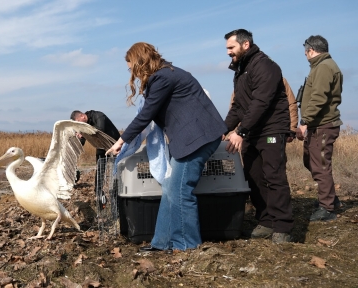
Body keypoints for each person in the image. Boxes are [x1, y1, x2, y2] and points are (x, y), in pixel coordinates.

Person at [106, 42, 226, 252]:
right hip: (194, 138)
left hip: (197, 139)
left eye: (130, 66)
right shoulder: (167, 74)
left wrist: (121, 140)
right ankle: (162, 242)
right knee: (172, 188)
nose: (131, 72)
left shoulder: (162, 77)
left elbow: (146, 114)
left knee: (180, 191)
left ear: (139, 62)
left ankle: (187, 246)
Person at [223, 29, 293, 243]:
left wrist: (241, 131)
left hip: (271, 130)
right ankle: (265, 221)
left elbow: (260, 102)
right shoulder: (241, 70)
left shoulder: (264, 65)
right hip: (252, 132)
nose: (228, 52)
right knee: (253, 176)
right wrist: (221, 128)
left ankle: (283, 227)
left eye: (231, 47)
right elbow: (238, 107)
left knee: (274, 176)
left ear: (245, 45)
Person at [296, 35, 343, 221]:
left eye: (306, 52)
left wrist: (304, 121)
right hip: (318, 124)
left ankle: (327, 208)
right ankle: (330, 197)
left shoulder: (324, 67)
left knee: (321, 166)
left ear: (311, 50)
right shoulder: (320, 67)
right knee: (310, 161)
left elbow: (319, 97)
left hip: (323, 125)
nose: (305, 55)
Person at [225, 78, 299, 142]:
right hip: (248, 135)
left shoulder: (278, 79)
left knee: (272, 154)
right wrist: (236, 133)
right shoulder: (241, 82)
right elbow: (235, 108)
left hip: (271, 134)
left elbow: (291, 104)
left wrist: (292, 129)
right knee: (249, 157)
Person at [70, 110, 120, 192]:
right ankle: (98, 191)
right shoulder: (83, 126)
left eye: (78, 122)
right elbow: (81, 141)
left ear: (82, 116)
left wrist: (84, 132)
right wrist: (75, 147)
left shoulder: (98, 116)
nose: (79, 125)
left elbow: (100, 130)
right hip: (101, 145)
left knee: (116, 167)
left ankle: (116, 189)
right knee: (100, 166)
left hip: (114, 144)